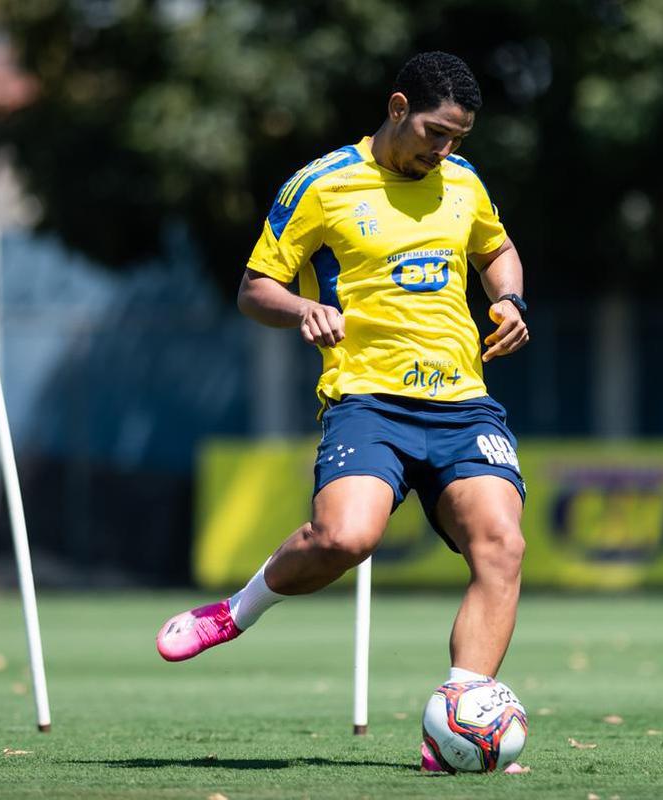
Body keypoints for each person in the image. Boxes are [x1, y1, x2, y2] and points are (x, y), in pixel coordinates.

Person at [156, 51, 529, 770]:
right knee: (343, 539)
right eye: (434, 132)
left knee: (501, 545)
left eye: (456, 138)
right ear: (397, 107)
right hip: (368, 400)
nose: (443, 149)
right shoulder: (321, 184)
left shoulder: (463, 183)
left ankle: (455, 721)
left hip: (462, 403)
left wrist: (508, 297)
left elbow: (498, 249)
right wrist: (304, 309)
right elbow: (254, 288)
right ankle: (232, 613)